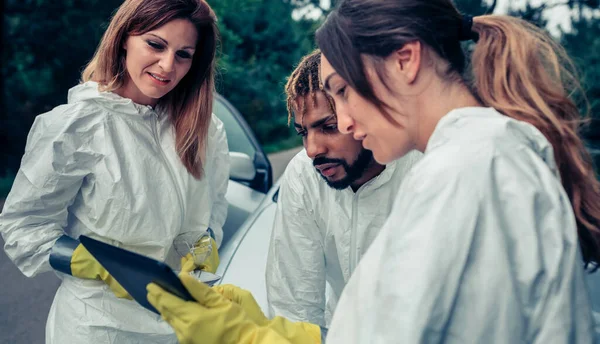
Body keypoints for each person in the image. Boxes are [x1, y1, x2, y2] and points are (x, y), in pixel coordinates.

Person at [146, 0, 600, 343]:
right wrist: (281, 330)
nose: (343, 122)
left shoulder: (467, 169)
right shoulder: (482, 153)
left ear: (405, 61)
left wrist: (247, 338)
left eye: (342, 91)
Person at [0, 0, 229, 343]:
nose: (167, 65)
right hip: (96, 328)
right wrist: (93, 263)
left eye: (184, 54)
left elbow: (215, 207)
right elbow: (23, 225)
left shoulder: (205, 129)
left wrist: (206, 243)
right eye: (155, 44)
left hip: (179, 323)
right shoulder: (74, 126)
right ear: (124, 38)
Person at [266, 49, 421, 327]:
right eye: (303, 133)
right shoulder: (303, 175)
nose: (312, 149)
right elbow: (294, 310)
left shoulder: (424, 168)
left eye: (328, 126)